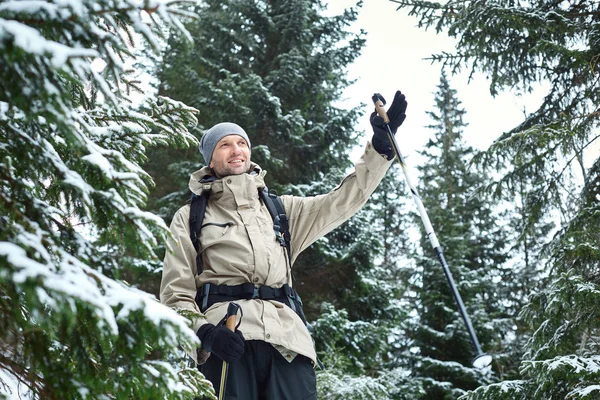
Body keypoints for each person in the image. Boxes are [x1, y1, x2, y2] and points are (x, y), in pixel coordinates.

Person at [160, 91, 408, 399]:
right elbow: (175, 293)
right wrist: (206, 334)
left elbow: (342, 200)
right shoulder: (191, 216)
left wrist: (381, 148)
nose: (236, 149)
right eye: (225, 144)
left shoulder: (282, 211)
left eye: (241, 143)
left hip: (287, 341)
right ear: (211, 159)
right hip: (228, 340)